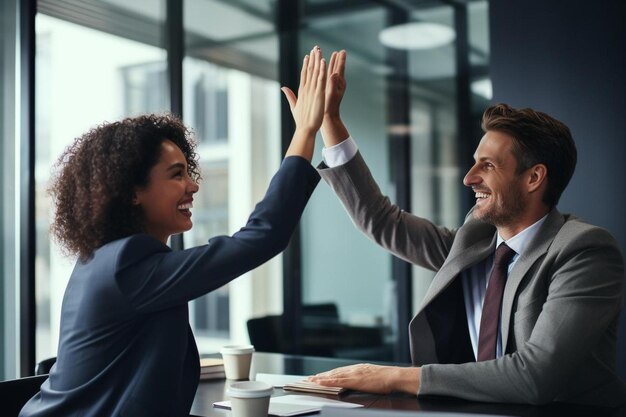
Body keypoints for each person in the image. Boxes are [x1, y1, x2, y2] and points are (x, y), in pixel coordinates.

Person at [19, 46, 327, 417]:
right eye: (176, 174)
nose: (193, 186)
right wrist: (305, 132)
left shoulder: (108, 259)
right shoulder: (125, 264)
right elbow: (262, 237)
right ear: (132, 191)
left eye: (188, 172)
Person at [306, 50, 626, 406]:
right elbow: (382, 220)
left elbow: (537, 376)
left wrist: (395, 376)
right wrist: (330, 121)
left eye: (487, 166)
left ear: (534, 178)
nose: (468, 178)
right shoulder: (475, 240)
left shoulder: (585, 251)